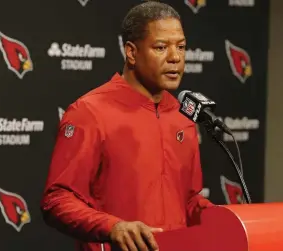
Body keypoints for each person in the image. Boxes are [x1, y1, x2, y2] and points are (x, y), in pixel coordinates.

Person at [40, 2, 214, 251]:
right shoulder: (89, 112)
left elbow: (187, 199)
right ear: (131, 53)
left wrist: (220, 215)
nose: (175, 57)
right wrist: (112, 227)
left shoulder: (182, 116)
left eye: (181, 47)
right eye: (161, 47)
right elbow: (57, 199)